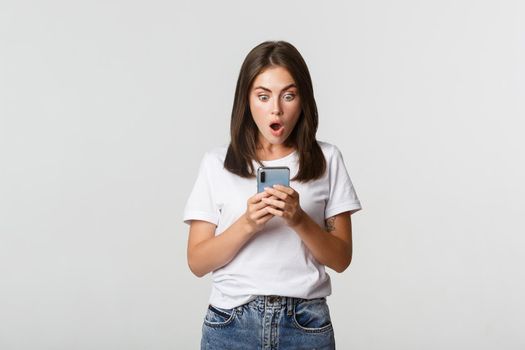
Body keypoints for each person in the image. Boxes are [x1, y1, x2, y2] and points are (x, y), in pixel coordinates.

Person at [183, 40, 362, 349]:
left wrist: (299, 219)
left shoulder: (327, 159)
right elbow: (197, 262)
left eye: (288, 95)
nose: (276, 109)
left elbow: (341, 258)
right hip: (231, 324)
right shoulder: (217, 163)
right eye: (263, 96)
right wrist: (248, 223)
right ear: (247, 100)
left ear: (303, 99)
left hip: (305, 323)